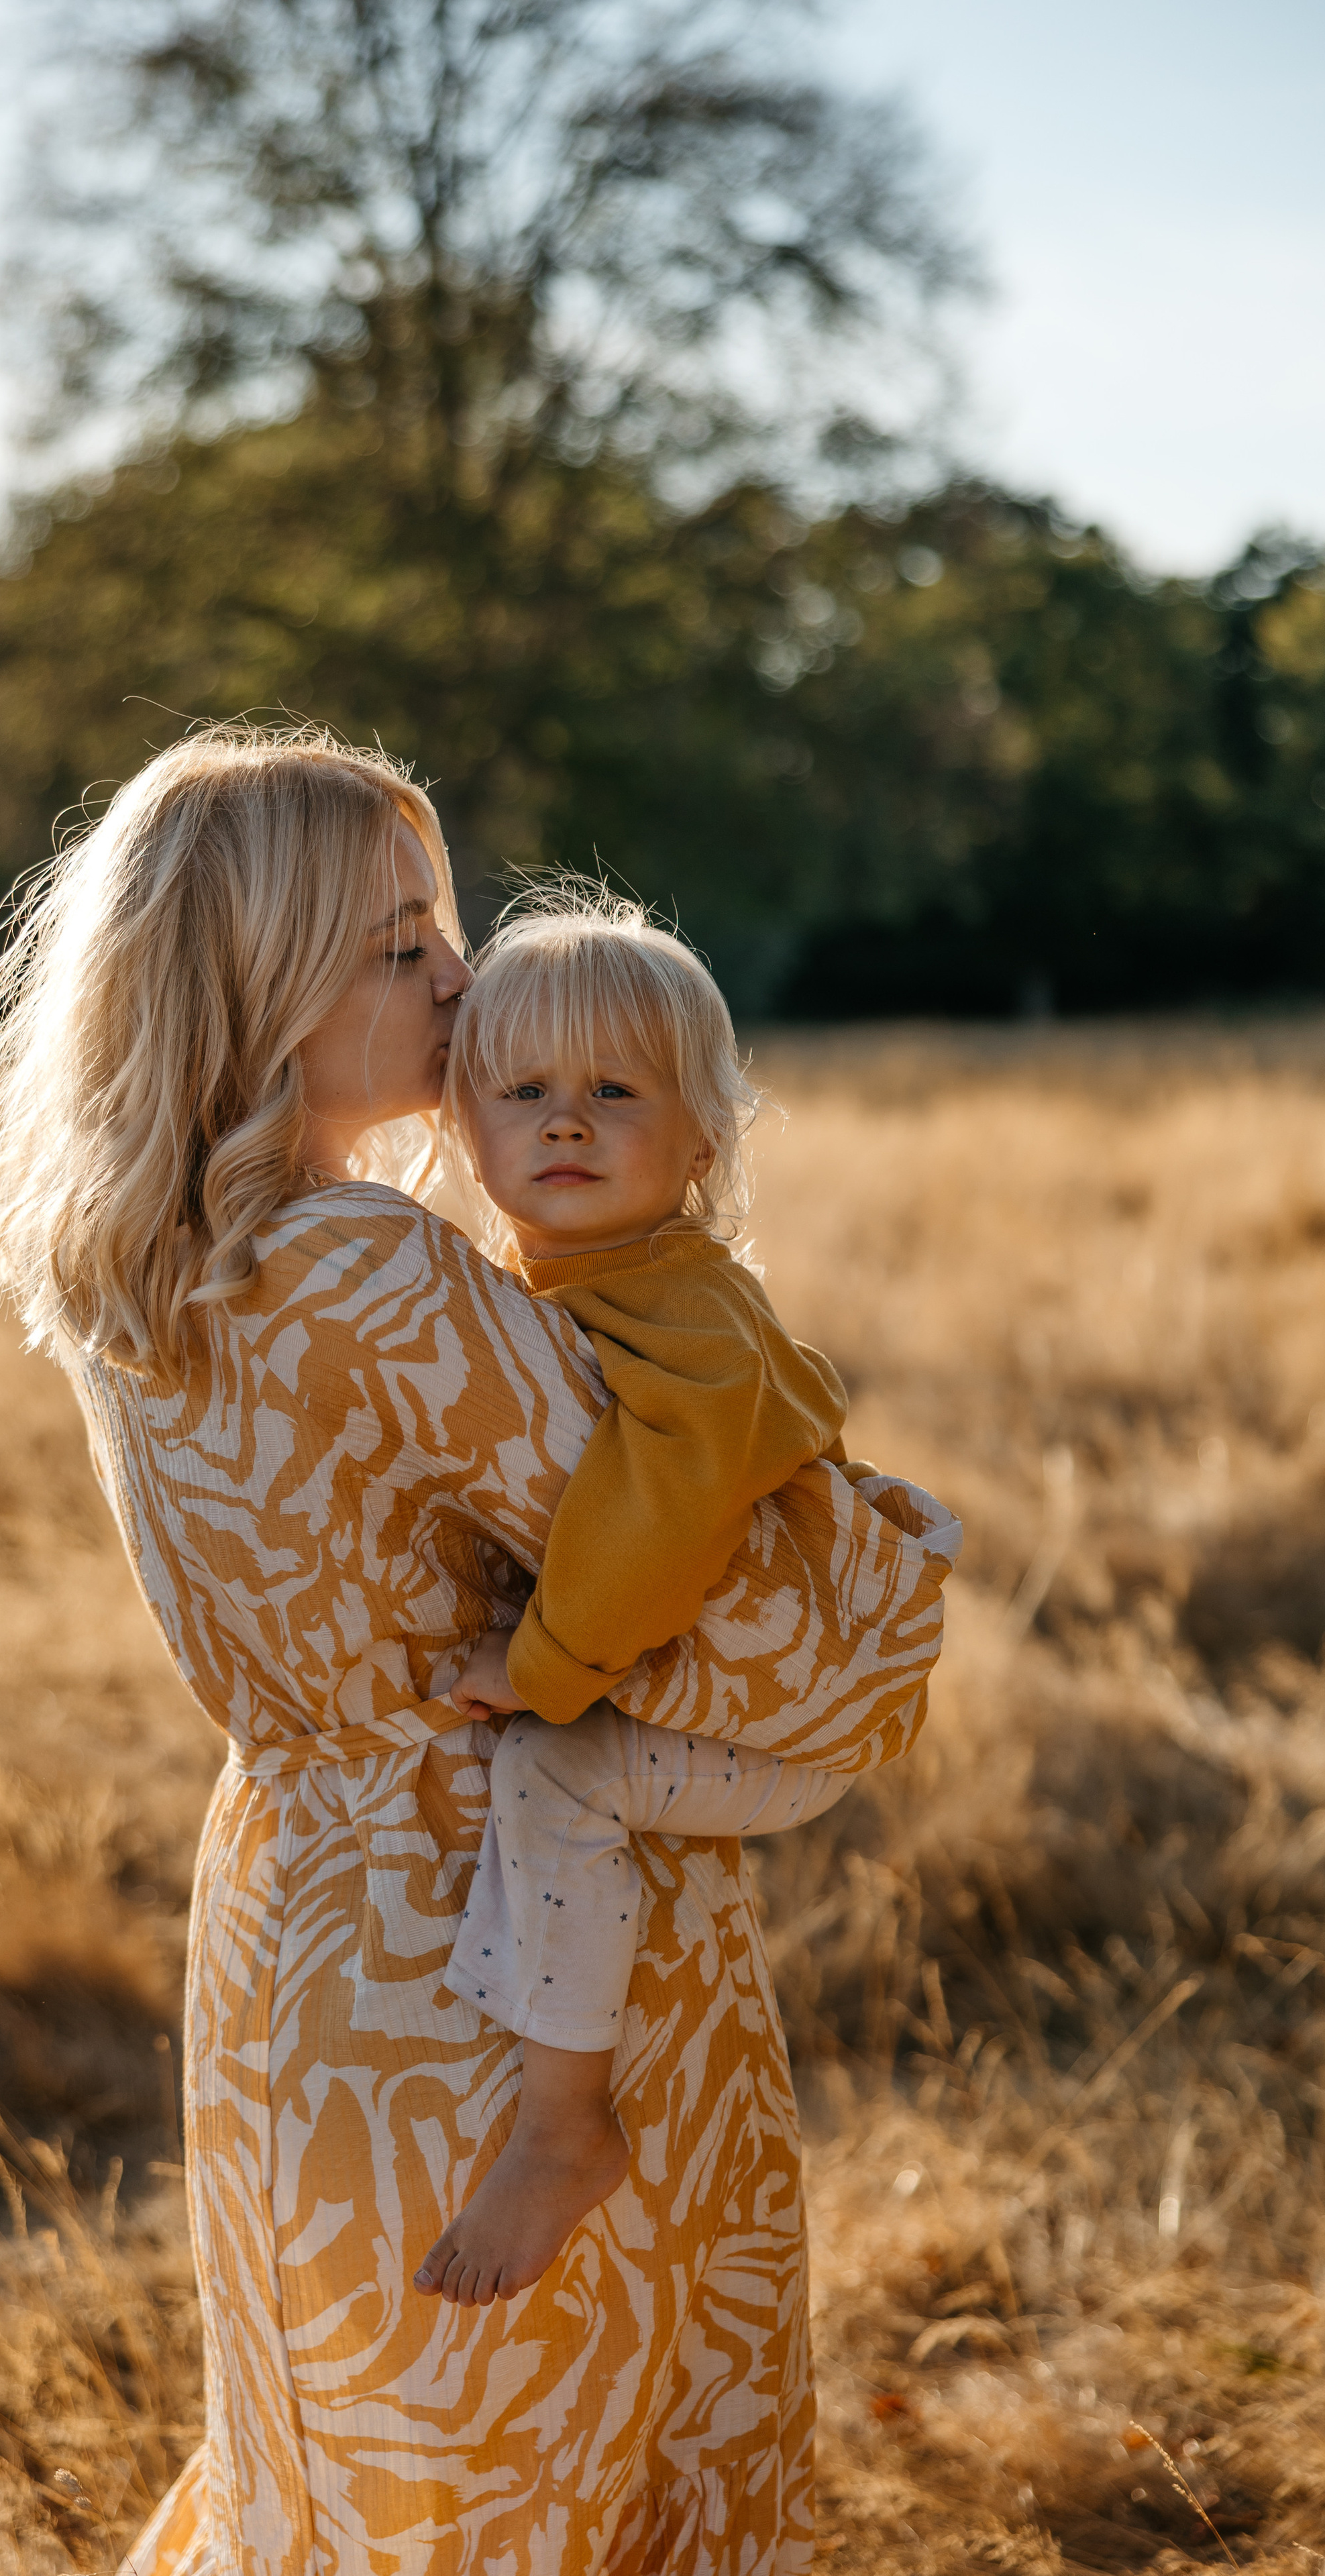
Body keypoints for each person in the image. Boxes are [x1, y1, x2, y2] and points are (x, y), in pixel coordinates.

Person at [0, 722, 962, 2576]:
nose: (460, 972)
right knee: (563, 2463)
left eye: (442, 924)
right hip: (491, 1942)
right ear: (258, 990)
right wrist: (884, 1560)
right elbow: (747, 1618)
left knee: (357, 2464)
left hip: (295, 1917)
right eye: (399, 945)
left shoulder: (146, 1263)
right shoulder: (371, 1269)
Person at [413, 888, 920, 2312]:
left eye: (613, 1093)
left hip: (786, 1727)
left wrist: (552, 1656)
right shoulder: (573, 1273)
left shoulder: (679, 1303)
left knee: (554, 1766)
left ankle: (564, 2128)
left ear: (701, 1138)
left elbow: (675, 1489)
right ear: (464, 1122)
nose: (562, 1123)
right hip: (763, 1698)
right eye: (522, 1091)